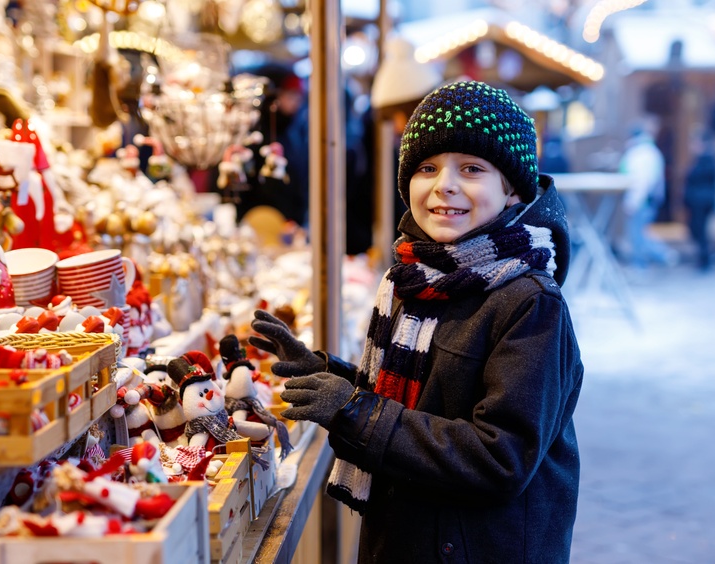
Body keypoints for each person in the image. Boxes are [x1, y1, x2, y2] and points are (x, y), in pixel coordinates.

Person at [249, 81, 583, 563]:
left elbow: (500, 458)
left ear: (511, 190)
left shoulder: (529, 304)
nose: (444, 184)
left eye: (472, 169)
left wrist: (353, 411)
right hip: (409, 537)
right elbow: (424, 397)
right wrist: (330, 375)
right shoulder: (417, 277)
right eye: (427, 168)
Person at [620, 126, 678, 269]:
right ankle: (655, 258)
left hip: (642, 200)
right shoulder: (650, 152)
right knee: (640, 233)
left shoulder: (641, 154)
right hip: (647, 200)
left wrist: (633, 202)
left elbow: (641, 181)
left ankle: (658, 256)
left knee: (638, 235)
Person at [682, 131, 715, 270]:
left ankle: (704, 259)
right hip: (696, 201)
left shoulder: (707, 160)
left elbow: (702, 179)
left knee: (700, 230)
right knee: (697, 229)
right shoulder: (700, 160)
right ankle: (703, 257)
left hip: (702, 202)